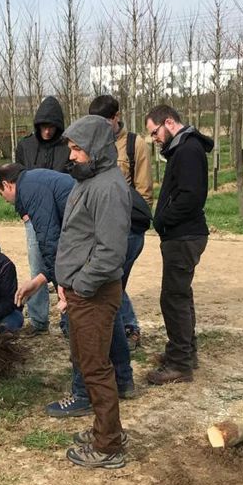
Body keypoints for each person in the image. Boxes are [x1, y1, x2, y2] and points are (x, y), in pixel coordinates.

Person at [0, 163, 140, 418]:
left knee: (79, 320)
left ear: (7, 185)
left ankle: (83, 394)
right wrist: (41, 280)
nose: (4, 200)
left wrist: (61, 282)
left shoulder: (30, 190)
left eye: (0, 194)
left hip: (98, 249)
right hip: (113, 240)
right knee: (110, 313)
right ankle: (124, 380)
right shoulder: (41, 180)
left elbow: (51, 239)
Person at [56, 115, 131, 469]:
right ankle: (106, 428)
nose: (71, 155)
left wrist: (82, 285)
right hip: (79, 292)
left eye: (77, 149)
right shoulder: (89, 179)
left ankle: (108, 446)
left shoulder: (108, 188)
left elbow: (110, 251)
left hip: (93, 294)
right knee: (87, 363)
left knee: (96, 368)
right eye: (70, 148)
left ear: (96, 150)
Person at [144, 104, 213, 385]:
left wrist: (162, 220)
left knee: (173, 298)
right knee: (180, 295)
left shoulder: (187, 151)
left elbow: (190, 197)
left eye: (154, 132)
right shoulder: (184, 148)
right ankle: (184, 351)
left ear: (169, 122)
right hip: (180, 234)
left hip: (183, 235)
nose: (154, 139)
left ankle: (180, 363)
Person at [88, 95, 152, 351]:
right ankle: (121, 328)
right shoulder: (92, 144)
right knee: (112, 281)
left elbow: (144, 191)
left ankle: (128, 329)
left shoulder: (135, 145)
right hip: (99, 227)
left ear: (116, 117)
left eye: (105, 122)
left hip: (127, 227)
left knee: (115, 280)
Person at [14, 96, 70, 337]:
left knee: (65, 263)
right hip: (34, 216)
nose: (48, 130)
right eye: (43, 126)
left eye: (52, 126)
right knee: (38, 265)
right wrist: (24, 214)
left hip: (65, 216)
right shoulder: (25, 146)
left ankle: (69, 318)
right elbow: (15, 182)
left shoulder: (67, 146)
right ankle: (38, 321)